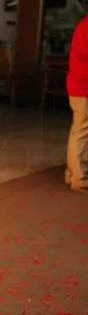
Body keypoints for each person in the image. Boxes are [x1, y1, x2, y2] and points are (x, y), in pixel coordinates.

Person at [66, 12, 88, 194]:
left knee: (79, 130)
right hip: (84, 86)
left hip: (78, 85)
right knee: (82, 131)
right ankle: (79, 178)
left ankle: (73, 172)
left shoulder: (83, 24)